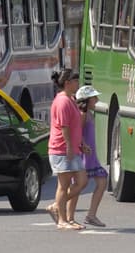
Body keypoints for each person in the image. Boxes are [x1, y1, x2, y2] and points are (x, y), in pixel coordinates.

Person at [45, 68, 88, 230]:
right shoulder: (62, 101)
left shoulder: (70, 99)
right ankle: (62, 219)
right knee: (64, 185)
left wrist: (81, 143)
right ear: (67, 83)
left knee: (81, 182)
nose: (78, 84)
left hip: (72, 149)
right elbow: (64, 127)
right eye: (76, 81)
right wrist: (70, 146)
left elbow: (76, 126)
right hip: (61, 149)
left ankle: (67, 215)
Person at [74, 85, 107, 227]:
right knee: (77, 186)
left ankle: (91, 215)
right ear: (86, 100)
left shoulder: (89, 114)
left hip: (91, 156)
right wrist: (83, 146)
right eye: (94, 98)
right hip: (84, 156)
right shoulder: (83, 115)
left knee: (102, 181)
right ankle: (60, 208)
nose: (97, 100)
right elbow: (78, 132)